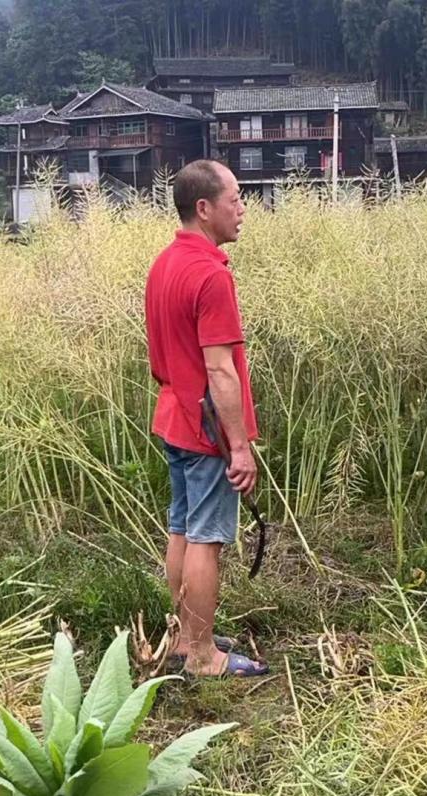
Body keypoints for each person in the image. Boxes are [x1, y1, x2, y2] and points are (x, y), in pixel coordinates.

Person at [144, 159, 269, 677]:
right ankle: (201, 655)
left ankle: (183, 639)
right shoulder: (211, 276)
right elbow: (220, 370)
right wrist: (238, 447)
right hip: (206, 429)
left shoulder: (164, 264)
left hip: (174, 415)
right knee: (206, 537)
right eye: (234, 200)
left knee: (181, 528)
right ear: (203, 208)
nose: (242, 209)